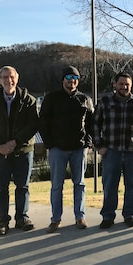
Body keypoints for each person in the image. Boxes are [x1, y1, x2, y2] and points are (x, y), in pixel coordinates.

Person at [0, 66, 39, 236]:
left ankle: (22, 218)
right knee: (2, 188)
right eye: (4, 77)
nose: (8, 80)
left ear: (16, 79)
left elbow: (33, 125)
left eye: (11, 76)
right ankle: (3, 221)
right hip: (0, 152)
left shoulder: (29, 100)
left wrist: (15, 142)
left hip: (24, 150)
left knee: (23, 186)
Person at [39, 66, 94, 233]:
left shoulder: (85, 99)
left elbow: (92, 124)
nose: (72, 81)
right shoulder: (51, 98)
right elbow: (43, 123)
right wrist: (50, 144)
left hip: (79, 149)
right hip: (58, 149)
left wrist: (88, 142)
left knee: (80, 184)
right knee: (57, 185)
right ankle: (56, 219)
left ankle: (80, 216)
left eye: (75, 78)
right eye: (68, 77)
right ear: (63, 80)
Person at [93, 72, 133, 229]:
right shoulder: (104, 101)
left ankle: (130, 215)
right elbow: (95, 124)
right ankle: (108, 216)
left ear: (131, 86)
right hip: (111, 151)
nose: (124, 87)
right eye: (121, 84)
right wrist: (99, 146)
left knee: (132, 185)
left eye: (127, 85)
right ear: (115, 84)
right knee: (110, 186)